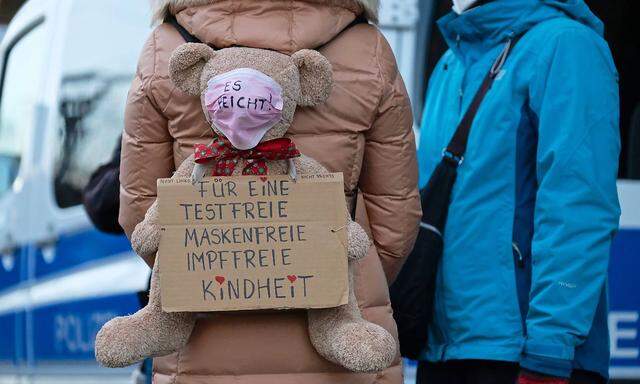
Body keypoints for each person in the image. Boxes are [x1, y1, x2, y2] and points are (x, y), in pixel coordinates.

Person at [119, 1, 421, 383]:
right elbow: (396, 218)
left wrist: (215, 266)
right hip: (345, 333)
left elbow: (139, 210)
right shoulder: (367, 50)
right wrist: (331, 267)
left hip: (202, 331)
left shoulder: (163, 49)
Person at [416, 0, 620, 383]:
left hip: (530, 355)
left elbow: (578, 208)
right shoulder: (451, 61)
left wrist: (550, 346)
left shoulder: (566, 45)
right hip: (447, 349)